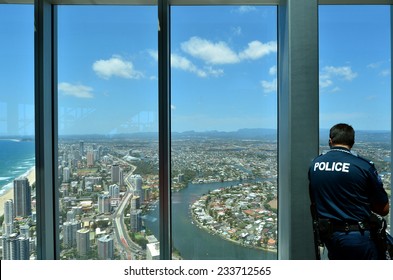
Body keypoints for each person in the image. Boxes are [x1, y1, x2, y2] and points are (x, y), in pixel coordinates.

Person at [308, 123, 390, 260]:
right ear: (352, 142)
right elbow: (383, 209)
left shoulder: (315, 165)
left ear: (330, 140)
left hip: (329, 236)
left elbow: (314, 199)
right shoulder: (363, 166)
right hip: (358, 236)